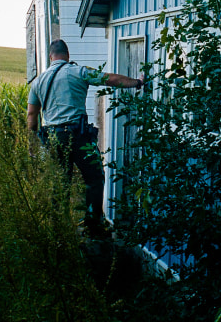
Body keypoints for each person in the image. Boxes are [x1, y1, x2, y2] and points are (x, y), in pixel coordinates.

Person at [27, 39, 144, 236]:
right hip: (78, 136)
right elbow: (109, 79)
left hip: (54, 138)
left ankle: (59, 227)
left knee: (60, 182)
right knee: (94, 178)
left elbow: (32, 116)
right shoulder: (78, 71)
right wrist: (137, 82)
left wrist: (35, 140)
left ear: (50, 56)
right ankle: (93, 224)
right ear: (68, 55)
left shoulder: (38, 82)